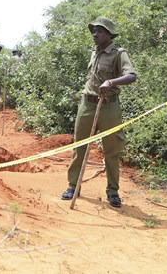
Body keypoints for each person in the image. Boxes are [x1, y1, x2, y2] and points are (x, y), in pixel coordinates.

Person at [61, 16, 136, 208]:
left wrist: (111, 82)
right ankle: (73, 186)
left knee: (112, 151)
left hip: (109, 106)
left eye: (99, 31)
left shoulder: (119, 53)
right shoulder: (94, 52)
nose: (95, 34)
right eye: (93, 31)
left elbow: (131, 75)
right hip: (87, 104)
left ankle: (113, 192)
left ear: (109, 34)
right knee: (80, 147)